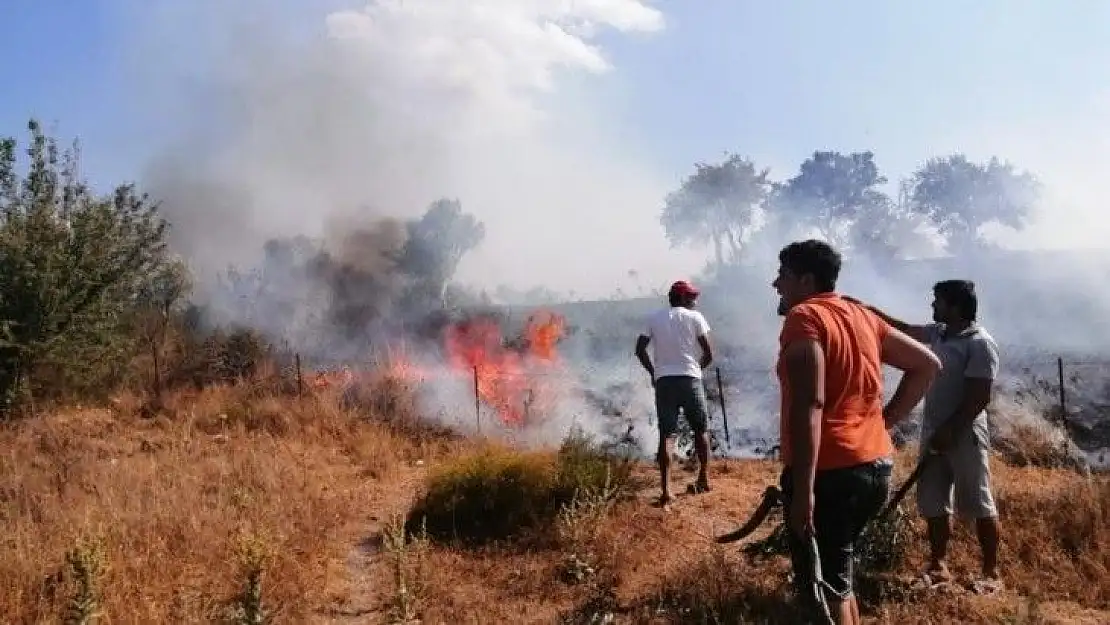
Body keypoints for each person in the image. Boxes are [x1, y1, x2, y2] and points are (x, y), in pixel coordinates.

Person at [773, 240, 942, 625]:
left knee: (824, 588)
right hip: (874, 466)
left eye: (782, 275)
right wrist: (883, 422)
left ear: (805, 279)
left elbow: (811, 404)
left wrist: (803, 491)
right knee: (839, 579)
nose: (775, 283)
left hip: (831, 471)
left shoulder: (805, 317)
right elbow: (926, 365)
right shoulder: (860, 314)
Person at [850, 280, 1003, 594]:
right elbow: (903, 328)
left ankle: (991, 572)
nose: (933, 306)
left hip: (965, 433)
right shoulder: (939, 333)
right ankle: (938, 564)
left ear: (955, 306)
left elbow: (979, 398)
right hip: (935, 431)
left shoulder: (980, 343)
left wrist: (951, 430)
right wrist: (865, 309)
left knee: (978, 502)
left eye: (938, 301)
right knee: (934, 500)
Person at [635, 280, 714, 507]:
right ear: (680, 297)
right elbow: (709, 353)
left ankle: (666, 490)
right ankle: (703, 479)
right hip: (690, 380)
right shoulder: (695, 317)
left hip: (664, 382)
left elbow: (639, 350)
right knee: (701, 430)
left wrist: (654, 372)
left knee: (667, 435)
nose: (694, 301)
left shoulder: (654, 317)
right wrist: (695, 369)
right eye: (690, 297)